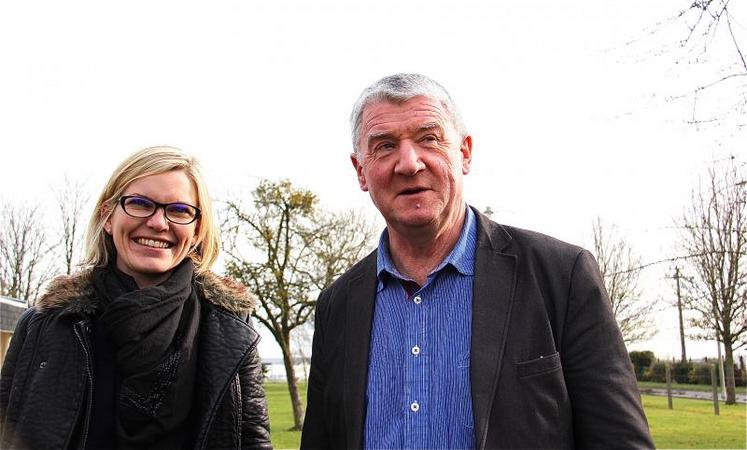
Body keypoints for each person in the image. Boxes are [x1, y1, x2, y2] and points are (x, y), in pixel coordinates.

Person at [301, 74, 654, 449]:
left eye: (429, 138)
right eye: (385, 146)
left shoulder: (561, 277)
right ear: (361, 171)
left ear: (465, 153)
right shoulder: (337, 305)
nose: (408, 163)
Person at [0, 146, 272, 449]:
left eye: (180, 210)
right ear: (107, 217)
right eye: (140, 204)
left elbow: (252, 442)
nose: (158, 223)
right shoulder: (46, 326)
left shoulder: (230, 328)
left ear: (197, 231)